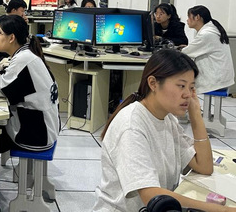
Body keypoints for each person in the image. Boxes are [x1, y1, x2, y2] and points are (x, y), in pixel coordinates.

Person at [92, 49, 232, 212]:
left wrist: (195, 115)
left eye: (191, 87)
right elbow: (152, 196)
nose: (188, 94)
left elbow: (204, 166)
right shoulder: (131, 125)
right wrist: (221, 210)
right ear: (153, 83)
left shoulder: (167, 118)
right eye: (181, 86)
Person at [0, 15, 59, 152]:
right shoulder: (27, 54)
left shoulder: (23, 60)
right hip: (45, 128)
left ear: (11, 38)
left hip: (35, 135)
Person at [181, 5, 233, 94]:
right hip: (221, 76)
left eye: (189, 17)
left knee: (181, 82)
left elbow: (186, 52)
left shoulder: (206, 34)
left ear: (197, 17)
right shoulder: (212, 30)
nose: (187, 20)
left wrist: (177, 50)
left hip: (216, 79)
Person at [0, 0, 28, 64]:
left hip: (9, 56)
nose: (23, 14)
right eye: (22, 11)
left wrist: (24, 25)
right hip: (0, 57)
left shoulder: (9, 21)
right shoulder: (5, 23)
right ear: (14, 10)